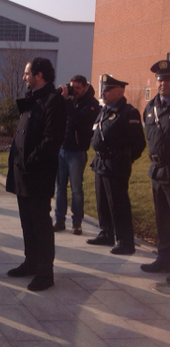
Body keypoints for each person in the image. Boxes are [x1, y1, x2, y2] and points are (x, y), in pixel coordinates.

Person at [6, 57, 66, 292]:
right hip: (23, 173)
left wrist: (31, 160)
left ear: (39, 75)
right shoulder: (33, 98)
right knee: (27, 223)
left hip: (38, 174)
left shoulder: (53, 101)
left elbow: (51, 139)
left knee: (41, 224)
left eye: (27, 73)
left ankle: (45, 272)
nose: (24, 77)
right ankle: (30, 262)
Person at [87, 74, 145, 255]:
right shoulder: (104, 111)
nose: (103, 93)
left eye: (107, 90)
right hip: (100, 162)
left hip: (116, 164)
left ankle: (125, 241)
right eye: (102, 90)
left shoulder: (128, 112)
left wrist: (124, 159)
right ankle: (106, 233)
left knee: (118, 203)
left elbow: (138, 143)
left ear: (119, 92)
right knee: (102, 201)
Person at [53, 75, 100, 235]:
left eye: (78, 88)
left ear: (85, 87)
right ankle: (59, 220)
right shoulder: (69, 101)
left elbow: (79, 119)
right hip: (61, 149)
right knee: (60, 188)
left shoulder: (91, 104)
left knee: (76, 189)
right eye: (72, 88)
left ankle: (77, 223)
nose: (75, 91)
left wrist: (66, 101)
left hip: (77, 151)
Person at [142, 60, 170, 273]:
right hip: (157, 171)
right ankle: (163, 259)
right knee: (162, 217)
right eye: (160, 79)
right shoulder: (150, 107)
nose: (163, 83)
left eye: (167, 79)